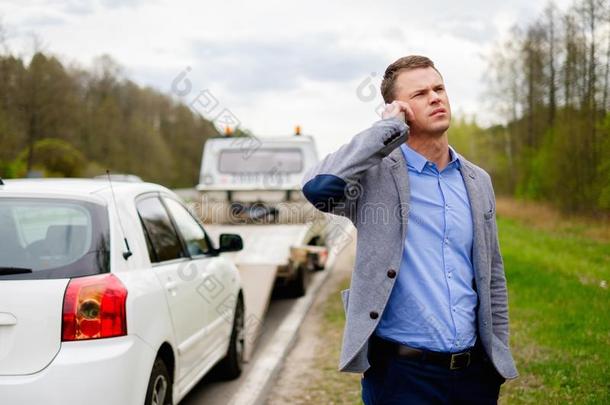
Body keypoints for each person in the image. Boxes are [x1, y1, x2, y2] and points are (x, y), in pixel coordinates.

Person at [301, 55, 518, 404]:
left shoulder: (478, 181)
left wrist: (497, 356)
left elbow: (493, 275)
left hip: (475, 375)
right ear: (397, 109)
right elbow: (317, 189)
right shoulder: (373, 178)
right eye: (420, 94)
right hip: (401, 378)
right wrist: (383, 131)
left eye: (439, 88)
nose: (435, 97)